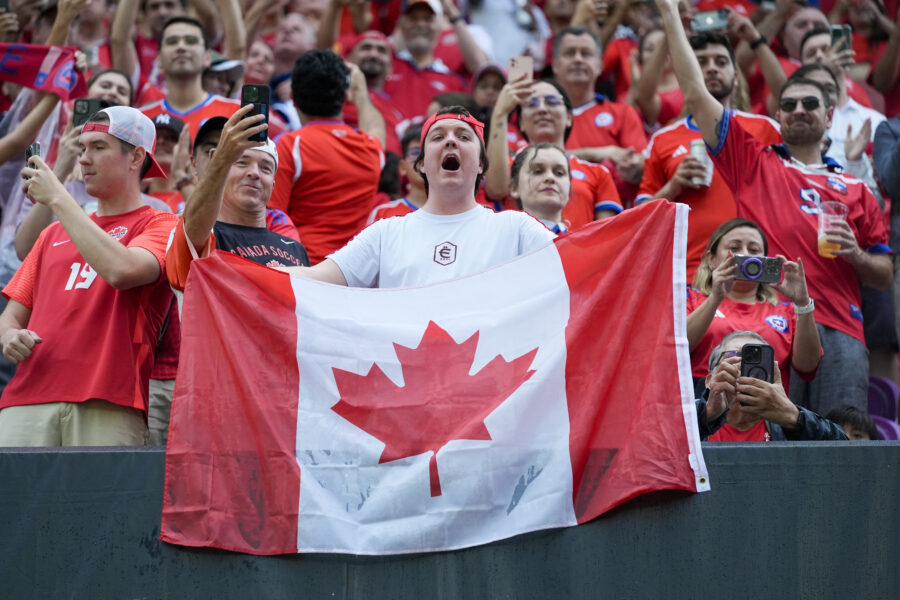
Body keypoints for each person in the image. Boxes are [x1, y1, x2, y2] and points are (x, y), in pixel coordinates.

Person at [655, 0, 891, 415]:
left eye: (810, 104)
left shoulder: (857, 186)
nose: (800, 110)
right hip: (769, 328)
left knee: (841, 442)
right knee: (774, 444)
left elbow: (885, 276)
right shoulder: (754, 164)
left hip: (839, 327)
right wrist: (671, 12)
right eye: (790, 104)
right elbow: (695, 92)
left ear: (830, 115)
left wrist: (854, 253)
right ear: (777, 114)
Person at [0, 106, 178, 446]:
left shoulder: (162, 224)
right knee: (13, 500)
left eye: (98, 147)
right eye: (82, 148)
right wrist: (9, 337)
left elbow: (122, 270)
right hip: (25, 399)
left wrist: (57, 197)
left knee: (97, 501)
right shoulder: (52, 234)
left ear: (136, 156)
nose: (83, 159)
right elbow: (11, 315)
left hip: (108, 399)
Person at [284, 106, 555, 287]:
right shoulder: (385, 234)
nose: (451, 141)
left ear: (482, 164)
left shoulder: (516, 229)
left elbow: (580, 266)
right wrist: (245, 271)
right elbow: (316, 279)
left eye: (463, 136)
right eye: (438, 137)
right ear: (422, 165)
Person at [637, 29, 783, 282]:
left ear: (736, 77)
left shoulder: (767, 129)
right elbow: (638, 219)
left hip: (755, 273)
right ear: (686, 75)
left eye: (721, 61)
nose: (712, 68)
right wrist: (673, 187)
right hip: (688, 275)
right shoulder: (663, 138)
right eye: (701, 62)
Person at [270, 50, 386, 265]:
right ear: (344, 97)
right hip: (354, 274)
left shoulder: (289, 146)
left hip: (304, 270)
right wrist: (360, 93)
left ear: (293, 99)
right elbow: (376, 129)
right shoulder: (370, 148)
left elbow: (270, 217)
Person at [687, 218, 821, 397]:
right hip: (704, 405)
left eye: (754, 250)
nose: (746, 255)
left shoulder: (787, 312)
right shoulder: (691, 299)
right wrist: (716, 298)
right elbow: (675, 349)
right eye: (734, 248)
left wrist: (803, 303)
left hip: (766, 409)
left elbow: (808, 366)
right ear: (711, 259)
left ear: (765, 261)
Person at [487, 77, 622, 230]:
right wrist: (500, 112)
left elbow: (607, 236)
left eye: (552, 101)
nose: (542, 109)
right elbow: (496, 190)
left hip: (578, 253)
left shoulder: (598, 173)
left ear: (569, 118)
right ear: (521, 123)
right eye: (531, 104)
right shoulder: (507, 168)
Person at [550, 26, 646, 203]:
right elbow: (528, 158)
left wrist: (635, 168)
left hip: (613, 217)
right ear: (555, 64)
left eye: (586, 53)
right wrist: (600, 153)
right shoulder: (537, 113)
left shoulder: (622, 113)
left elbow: (641, 165)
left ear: (600, 65)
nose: (578, 59)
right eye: (570, 53)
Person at [698, 331, 849, 441]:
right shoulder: (688, 417)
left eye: (757, 361)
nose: (744, 368)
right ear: (709, 380)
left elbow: (846, 454)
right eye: (735, 356)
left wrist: (794, 417)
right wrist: (707, 415)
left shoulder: (788, 422)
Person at [137, 16, 239, 139]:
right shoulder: (141, 119)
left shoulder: (236, 113)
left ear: (207, 57)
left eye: (191, 41)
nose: (181, 47)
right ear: (158, 59)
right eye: (172, 41)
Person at [509, 142, 571, 234]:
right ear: (514, 187)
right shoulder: (499, 240)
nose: (550, 177)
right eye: (537, 171)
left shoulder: (581, 245)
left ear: (569, 188)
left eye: (559, 173)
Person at [368, 125, 426, 223]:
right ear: (402, 167)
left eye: (430, 152)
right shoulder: (383, 214)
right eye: (416, 152)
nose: (423, 159)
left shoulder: (457, 212)